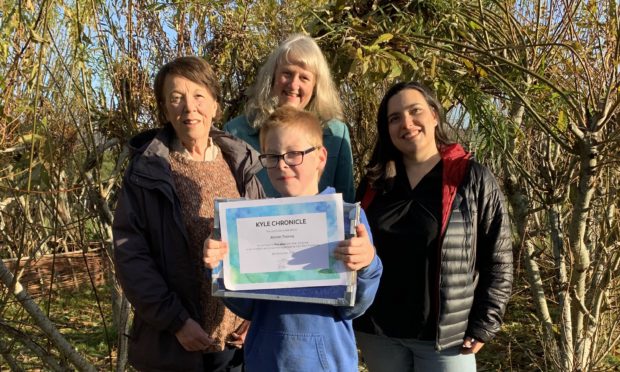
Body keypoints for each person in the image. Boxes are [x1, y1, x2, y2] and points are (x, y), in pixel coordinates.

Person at [113, 56, 265, 371]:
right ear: (165, 109)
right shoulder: (147, 171)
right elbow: (132, 257)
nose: (189, 107)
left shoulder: (241, 163)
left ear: (215, 105)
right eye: (176, 98)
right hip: (177, 343)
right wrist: (177, 322)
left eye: (198, 96)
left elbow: (265, 244)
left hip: (237, 343)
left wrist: (258, 314)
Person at [204, 106, 383, 371]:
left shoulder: (347, 220)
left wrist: (367, 263)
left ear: (321, 157)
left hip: (328, 363)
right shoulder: (253, 224)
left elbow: (355, 307)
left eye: (294, 154)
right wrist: (220, 268)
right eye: (272, 156)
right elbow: (247, 307)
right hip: (265, 361)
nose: (282, 164)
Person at [353, 81, 513, 372]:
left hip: (446, 338)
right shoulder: (374, 183)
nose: (407, 123)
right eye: (394, 118)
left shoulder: (471, 179)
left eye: (415, 111)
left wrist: (486, 321)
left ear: (435, 115)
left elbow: (498, 256)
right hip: (378, 333)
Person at [223, 33, 355, 202]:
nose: (293, 85)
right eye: (287, 74)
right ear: (272, 77)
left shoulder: (336, 134)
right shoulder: (237, 132)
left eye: (304, 78)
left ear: (316, 86)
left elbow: (346, 200)